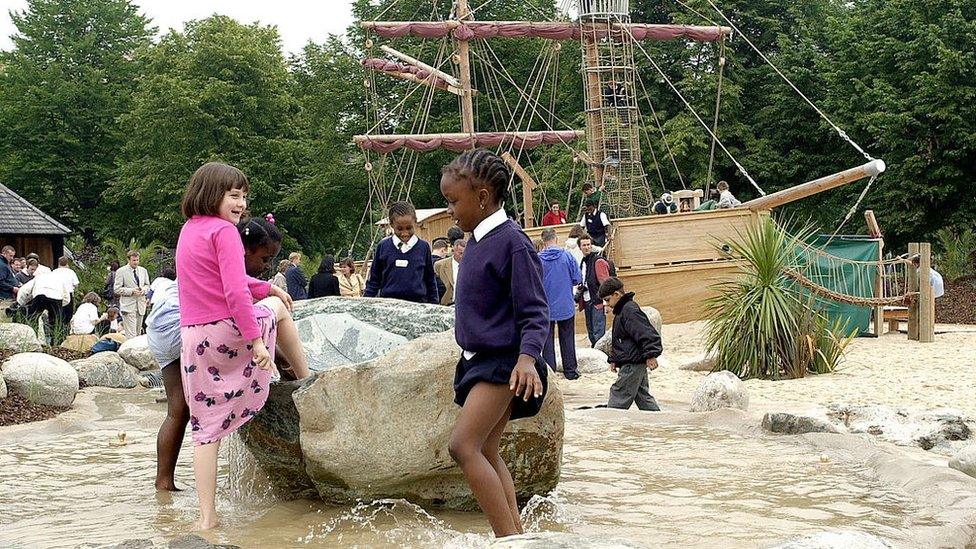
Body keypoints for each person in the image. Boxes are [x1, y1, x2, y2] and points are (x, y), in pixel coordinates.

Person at [175, 162, 309, 528]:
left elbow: (224, 280)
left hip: (193, 338)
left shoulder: (189, 230)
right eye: (234, 195)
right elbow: (234, 291)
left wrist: (266, 286)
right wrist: (256, 342)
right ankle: (307, 378)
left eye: (243, 197)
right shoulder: (224, 232)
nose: (241, 203)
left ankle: (207, 518)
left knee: (204, 429)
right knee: (280, 310)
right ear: (212, 194)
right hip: (225, 333)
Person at [153, 210, 309, 493]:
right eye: (264, 259)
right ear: (244, 249)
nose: (266, 265)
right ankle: (306, 380)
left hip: (162, 325)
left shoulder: (197, 232)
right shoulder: (226, 243)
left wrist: (267, 289)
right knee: (210, 407)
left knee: (178, 410)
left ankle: (164, 484)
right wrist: (270, 351)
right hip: (184, 322)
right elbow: (238, 303)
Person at [440, 148, 549, 538]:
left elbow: (536, 311)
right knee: (485, 449)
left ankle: (506, 539)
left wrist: (527, 359)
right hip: (476, 360)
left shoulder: (513, 243)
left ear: (483, 197)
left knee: (463, 447)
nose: (450, 210)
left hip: (504, 362)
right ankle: (516, 535)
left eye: (454, 201)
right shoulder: (476, 239)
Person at [598, 277, 662, 411]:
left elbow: (646, 333)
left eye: (607, 299)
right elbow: (622, 340)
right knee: (643, 397)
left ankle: (610, 425)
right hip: (634, 361)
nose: (606, 304)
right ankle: (659, 423)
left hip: (632, 364)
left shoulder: (629, 310)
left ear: (616, 295)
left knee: (619, 396)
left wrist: (651, 355)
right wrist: (615, 360)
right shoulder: (623, 311)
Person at [364, 201, 439, 304]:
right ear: (391, 225)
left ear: (415, 223)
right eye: (399, 229)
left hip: (418, 305)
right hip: (388, 304)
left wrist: (434, 304)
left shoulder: (423, 247)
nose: (404, 233)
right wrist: (366, 302)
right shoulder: (383, 246)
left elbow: (430, 280)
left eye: (409, 228)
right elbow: (374, 280)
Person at [538, 229, 582, 379]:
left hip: (545, 307)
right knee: (567, 338)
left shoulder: (538, 259)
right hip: (565, 305)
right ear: (556, 239)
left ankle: (550, 372)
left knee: (547, 342)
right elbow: (577, 278)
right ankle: (570, 371)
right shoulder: (567, 256)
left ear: (543, 241)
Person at [579, 235, 612, 346]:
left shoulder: (598, 262)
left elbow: (605, 284)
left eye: (588, 245)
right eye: (584, 245)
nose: (587, 247)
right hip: (587, 300)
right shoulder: (583, 262)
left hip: (598, 302)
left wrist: (607, 303)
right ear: (580, 247)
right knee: (591, 332)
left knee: (598, 333)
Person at [114, 250, 150, 338]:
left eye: (137, 260)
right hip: (128, 306)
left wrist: (143, 290)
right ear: (128, 260)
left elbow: (148, 285)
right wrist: (131, 291)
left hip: (140, 305)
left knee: (138, 334)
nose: (136, 262)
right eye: (134, 260)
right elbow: (116, 289)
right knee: (131, 335)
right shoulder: (121, 271)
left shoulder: (143, 271)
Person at [434, 238, 466, 305]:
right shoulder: (439, 265)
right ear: (453, 251)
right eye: (460, 253)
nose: (463, 256)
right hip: (446, 304)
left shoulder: (471, 265)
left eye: (465, 253)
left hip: (465, 305)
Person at [0, 245, 21, 319]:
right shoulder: (2, 265)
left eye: (13, 256)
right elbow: (0, 282)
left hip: (9, 295)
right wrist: (12, 288)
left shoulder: (5, 263)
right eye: (10, 256)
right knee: (5, 317)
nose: (12, 258)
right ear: (4, 253)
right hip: (4, 297)